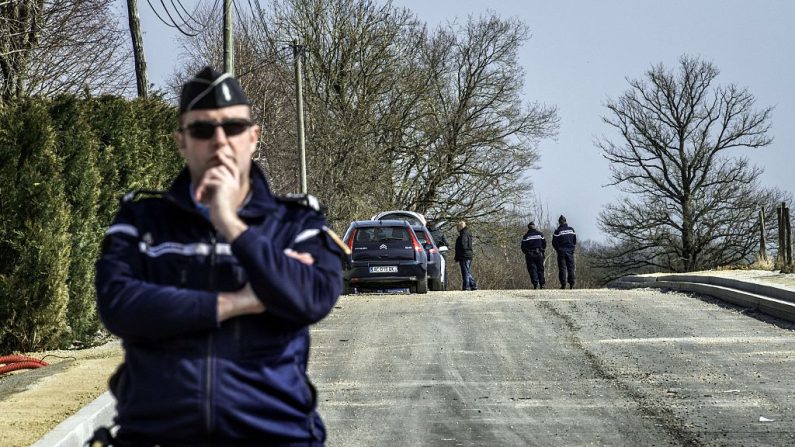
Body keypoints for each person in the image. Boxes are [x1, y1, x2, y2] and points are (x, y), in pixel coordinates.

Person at [94, 67, 346, 446]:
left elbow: (311, 297)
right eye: (202, 129)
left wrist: (230, 223)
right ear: (181, 140)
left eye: (233, 128)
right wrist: (234, 302)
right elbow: (119, 305)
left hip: (276, 437)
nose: (220, 141)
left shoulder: (296, 223)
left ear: (253, 137)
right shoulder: (142, 222)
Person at [552, 215, 577, 289]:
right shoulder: (571, 230)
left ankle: (563, 284)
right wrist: (572, 248)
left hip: (561, 251)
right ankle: (572, 283)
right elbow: (574, 241)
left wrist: (558, 249)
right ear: (566, 221)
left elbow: (554, 242)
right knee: (571, 267)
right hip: (570, 251)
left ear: (559, 222)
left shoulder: (557, 231)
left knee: (562, 268)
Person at [521, 221, 546, 289]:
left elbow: (523, 247)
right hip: (539, 254)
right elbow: (544, 244)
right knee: (540, 269)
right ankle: (542, 284)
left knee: (532, 269)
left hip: (530, 254)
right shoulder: (540, 234)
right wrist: (542, 251)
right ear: (534, 227)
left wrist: (526, 253)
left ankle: (535, 284)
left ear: (528, 228)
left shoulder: (526, 236)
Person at [454, 220, 478, 291]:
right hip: (468, 255)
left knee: (466, 272)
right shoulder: (467, 233)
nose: (457, 229)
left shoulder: (463, 234)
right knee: (467, 271)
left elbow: (463, 244)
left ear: (461, 226)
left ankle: (467, 286)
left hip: (464, 255)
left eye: (458, 227)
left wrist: (461, 253)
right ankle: (472, 286)